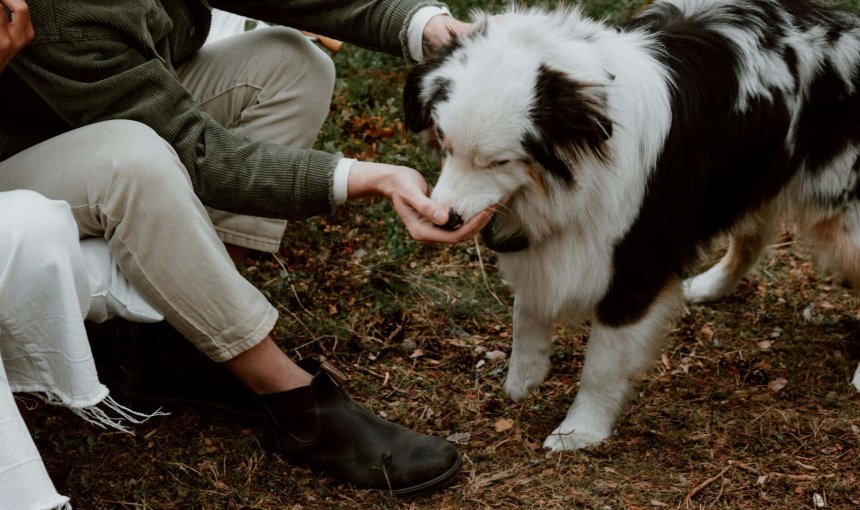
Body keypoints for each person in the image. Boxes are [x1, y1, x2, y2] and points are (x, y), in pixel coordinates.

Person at [0, 0, 493, 498]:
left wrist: (424, 27)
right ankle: (296, 406)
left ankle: (185, 347)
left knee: (290, 63)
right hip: (17, 157)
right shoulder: (62, 18)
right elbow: (200, 156)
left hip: (101, 98)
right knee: (133, 160)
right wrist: (372, 178)